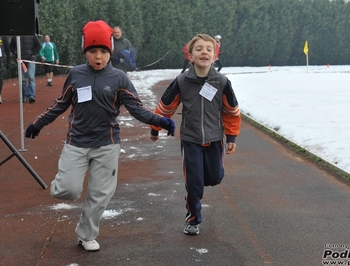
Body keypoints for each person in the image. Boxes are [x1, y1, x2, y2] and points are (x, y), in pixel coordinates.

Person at [25, 20, 175, 252]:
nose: (98, 57)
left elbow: (136, 108)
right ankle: (64, 181)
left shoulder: (119, 78)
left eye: (103, 51)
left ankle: (86, 235)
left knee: (100, 195)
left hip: (107, 145)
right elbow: (60, 104)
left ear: (110, 52)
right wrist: (38, 123)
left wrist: (160, 121)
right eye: (93, 51)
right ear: (85, 51)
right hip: (77, 143)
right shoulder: (75, 74)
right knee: (68, 190)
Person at [150, 34, 241, 235]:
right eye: (198, 49)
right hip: (190, 140)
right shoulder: (181, 81)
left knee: (215, 177)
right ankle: (193, 218)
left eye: (209, 49)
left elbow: (231, 110)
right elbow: (165, 107)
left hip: (215, 138)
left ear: (215, 56)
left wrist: (231, 136)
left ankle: (201, 181)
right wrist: (155, 127)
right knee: (193, 183)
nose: (204, 52)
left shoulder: (222, 82)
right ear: (190, 56)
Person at [10, 35, 41, 103]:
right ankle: (25, 96)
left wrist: (32, 53)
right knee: (23, 79)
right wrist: (15, 52)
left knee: (31, 77)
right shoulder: (16, 36)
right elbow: (11, 46)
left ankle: (31, 95)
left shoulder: (32, 36)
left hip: (30, 60)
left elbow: (38, 46)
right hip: (21, 60)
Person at [0, 36, 11, 104]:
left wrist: (8, 61)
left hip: (0, 60)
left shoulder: (3, 37)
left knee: (0, 78)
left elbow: (7, 49)